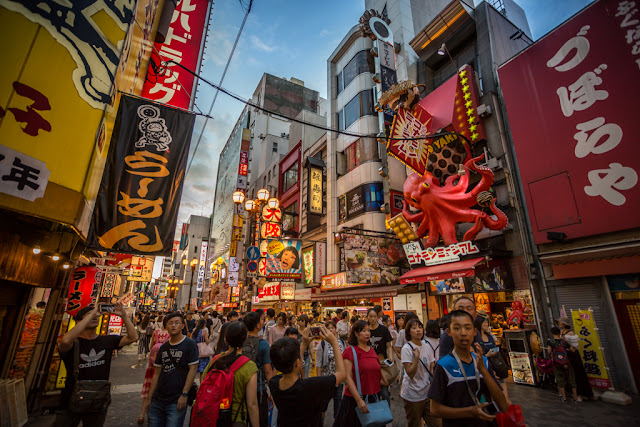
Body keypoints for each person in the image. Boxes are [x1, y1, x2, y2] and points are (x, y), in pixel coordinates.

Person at [55, 303, 137, 427]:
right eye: (89, 315)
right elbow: (65, 341)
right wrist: (92, 313)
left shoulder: (107, 340)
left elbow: (133, 337)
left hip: (98, 398)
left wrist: (124, 316)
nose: (95, 317)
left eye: (97, 316)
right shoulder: (74, 344)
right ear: (79, 321)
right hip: (71, 399)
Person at [428, 310, 509, 426]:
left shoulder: (483, 362)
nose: (463, 333)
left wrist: (483, 371)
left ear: (475, 331)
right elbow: (434, 409)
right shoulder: (443, 366)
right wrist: (471, 412)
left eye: (468, 328)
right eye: (457, 328)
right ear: (448, 332)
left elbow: (503, 406)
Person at [269, 325, 346, 427]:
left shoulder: (274, 383)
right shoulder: (311, 386)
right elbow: (341, 374)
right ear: (298, 362)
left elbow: (293, 361)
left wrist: (304, 344)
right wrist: (334, 342)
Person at [144, 312, 198, 427]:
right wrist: (149, 398)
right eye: (170, 323)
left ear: (183, 325)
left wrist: (184, 394)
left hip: (176, 400)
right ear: (166, 326)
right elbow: (157, 374)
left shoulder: (190, 345)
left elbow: (192, 370)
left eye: (177, 323)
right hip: (158, 399)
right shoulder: (163, 347)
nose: (173, 326)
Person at [202, 321, 260, 426]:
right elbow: (252, 404)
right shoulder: (249, 366)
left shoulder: (216, 360)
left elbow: (204, 382)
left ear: (225, 339)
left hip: (212, 416)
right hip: (236, 419)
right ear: (246, 338)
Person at [334, 320, 383, 427]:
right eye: (363, 331)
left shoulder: (372, 350)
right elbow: (348, 377)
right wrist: (359, 400)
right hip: (355, 400)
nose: (367, 333)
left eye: (368, 331)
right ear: (356, 333)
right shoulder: (350, 351)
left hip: (373, 397)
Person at [401, 318, 441, 427]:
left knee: (437, 423)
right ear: (409, 332)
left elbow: (432, 367)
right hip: (412, 395)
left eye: (420, 327)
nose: (418, 330)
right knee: (414, 424)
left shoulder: (426, 345)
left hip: (427, 393)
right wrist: (416, 358)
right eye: (414, 328)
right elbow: (410, 373)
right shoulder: (407, 349)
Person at [242, 311, 273, 426]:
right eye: (261, 320)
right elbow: (268, 372)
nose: (263, 322)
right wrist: (272, 393)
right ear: (258, 326)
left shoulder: (241, 341)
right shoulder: (263, 345)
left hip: (240, 388)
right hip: (258, 390)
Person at [139, 315, 170, 424]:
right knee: (157, 390)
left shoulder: (155, 333)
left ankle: (142, 414)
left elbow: (151, 345)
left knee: (148, 389)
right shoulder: (169, 335)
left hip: (151, 365)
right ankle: (154, 414)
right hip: (163, 367)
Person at [474, 316, 510, 404]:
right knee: (494, 396)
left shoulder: (489, 335)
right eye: (484, 322)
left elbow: (495, 343)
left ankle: (508, 411)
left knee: (505, 396)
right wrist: (487, 355)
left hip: (497, 366)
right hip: (487, 368)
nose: (487, 324)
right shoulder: (476, 338)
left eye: (487, 322)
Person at [315, 321, 347, 420]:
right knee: (323, 404)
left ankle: (337, 422)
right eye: (328, 328)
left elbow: (344, 359)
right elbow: (319, 363)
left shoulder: (341, 342)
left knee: (338, 402)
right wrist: (319, 379)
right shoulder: (323, 343)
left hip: (339, 379)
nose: (331, 330)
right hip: (327, 378)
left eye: (332, 328)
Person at [557, 317, 594, 400]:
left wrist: (566, 344)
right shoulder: (561, 332)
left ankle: (580, 393)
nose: (559, 324)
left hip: (573, 356)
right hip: (565, 355)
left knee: (576, 373)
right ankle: (571, 392)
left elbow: (574, 347)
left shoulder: (571, 333)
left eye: (560, 322)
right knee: (568, 374)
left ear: (564, 324)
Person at [547, 326, 580, 403]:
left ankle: (564, 397)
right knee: (571, 379)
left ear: (552, 333)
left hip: (557, 363)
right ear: (559, 332)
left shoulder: (551, 342)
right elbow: (572, 350)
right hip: (566, 362)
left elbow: (549, 351)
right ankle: (575, 397)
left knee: (560, 379)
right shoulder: (564, 342)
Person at [297, 314, 312, 378]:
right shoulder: (295, 330)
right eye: (299, 320)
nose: (300, 322)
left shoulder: (308, 331)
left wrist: (313, 359)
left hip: (306, 356)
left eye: (302, 321)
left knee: (305, 376)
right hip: (297, 356)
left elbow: (311, 346)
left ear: (306, 322)